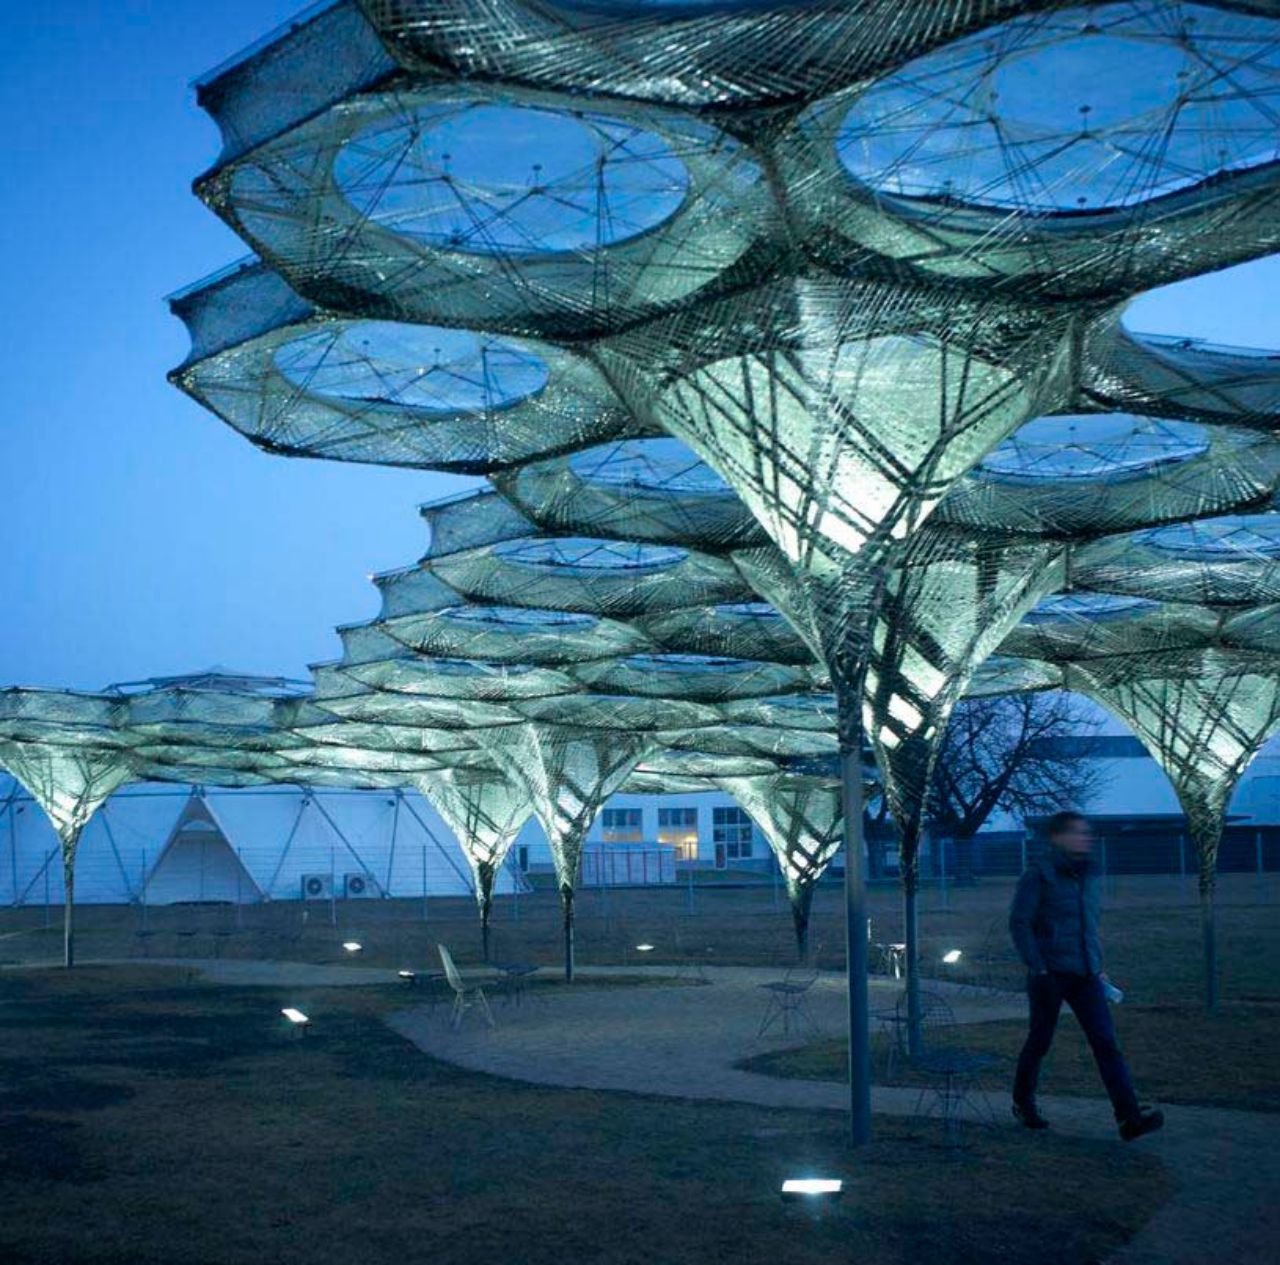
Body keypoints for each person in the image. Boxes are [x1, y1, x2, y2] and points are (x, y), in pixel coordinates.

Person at [1008, 810, 1164, 1141]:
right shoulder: (1039, 875)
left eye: (1087, 832)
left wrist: (1097, 963)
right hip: (1049, 975)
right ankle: (1023, 1102)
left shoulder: (1089, 875)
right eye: (1078, 832)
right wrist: (1038, 966)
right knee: (1040, 1040)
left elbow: (1087, 925)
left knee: (1106, 1043)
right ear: (1058, 837)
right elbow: (1020, 923)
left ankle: (1129, 1118)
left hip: (1086, 974)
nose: (1086, 837)